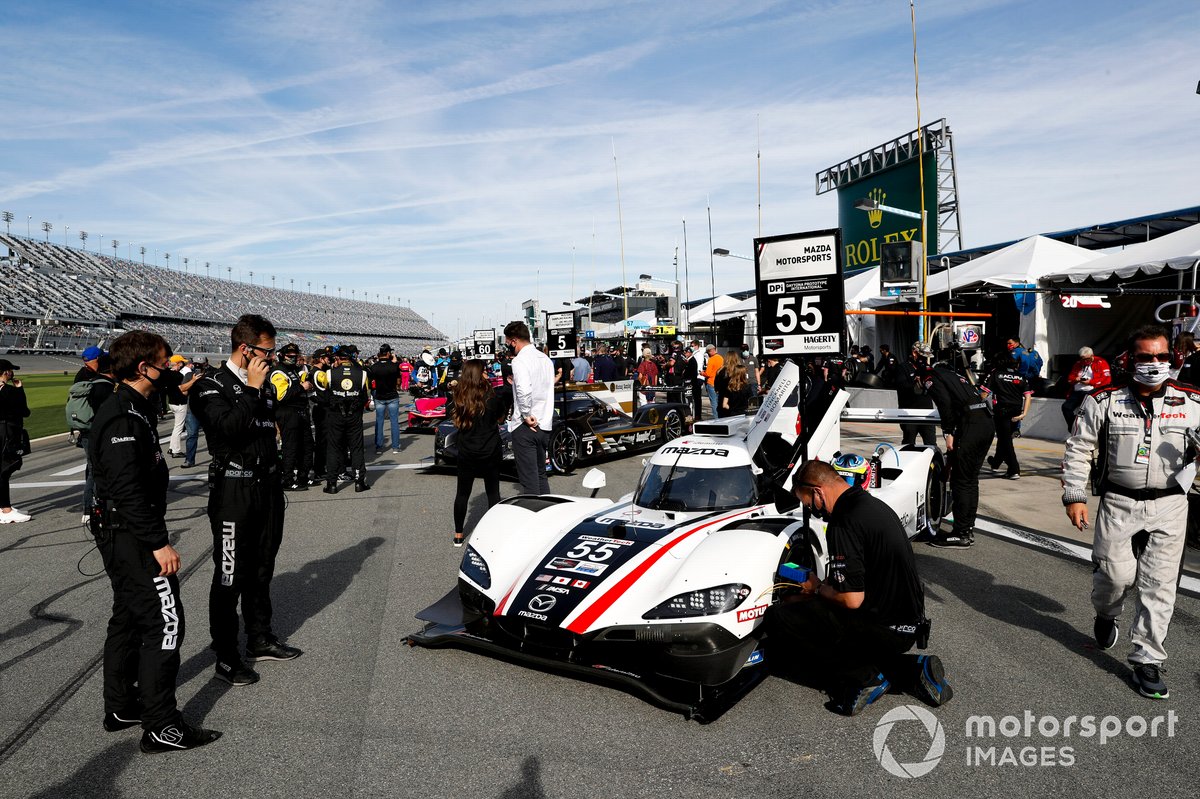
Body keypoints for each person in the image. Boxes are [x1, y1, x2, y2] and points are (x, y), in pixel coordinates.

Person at [89, 330, 221, 752]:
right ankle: (162, 724)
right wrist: (158, 543)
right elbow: (127, 490)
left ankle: (122, 705)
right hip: (130, 534)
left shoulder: (137, 407)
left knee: (128, 616)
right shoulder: (122, 416)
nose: (170, 370)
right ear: (143, 368)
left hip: (122, 531)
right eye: (164, 364)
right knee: (165, 623)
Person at [1063, 324, 1200, 700]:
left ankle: (1148, 659)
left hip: (1172, 504)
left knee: (1159, 586)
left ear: (1172, 359)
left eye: (1161, 357)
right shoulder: (1104, 400)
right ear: (1130, 360)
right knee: (1114, 577)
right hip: (1118, 502)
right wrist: (1075, 495)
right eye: (1145, 357)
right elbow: (1078, 449)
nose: (1154, 364)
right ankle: (1106, 614)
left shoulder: (1193, 400)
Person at [767, 460, 952, 716]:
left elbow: (852, 600)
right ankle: (913, 670)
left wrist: (816, 588)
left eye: (808, 503)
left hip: (885, 627)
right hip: (910, 623)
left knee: (781, 618)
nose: (811, 509)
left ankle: (866, 679)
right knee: (821, 609)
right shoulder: (871, 505)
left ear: (818, 492)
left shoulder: (843, 522)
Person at [190, 314, 302, 687]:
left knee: (262, 567)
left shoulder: (267, 384)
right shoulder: (209, 385)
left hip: (268, 488)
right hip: (233, 492)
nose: (272, 358)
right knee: (229, 575)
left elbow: (268, 430)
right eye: (267, 351)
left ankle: (259, 637)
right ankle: (226, 655)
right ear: (246, 348)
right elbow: (229, 430)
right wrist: (252, 390)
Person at [924, 348, 995, 548]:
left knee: (960, 481)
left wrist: (948, 433)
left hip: (972, 426)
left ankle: (961, 534)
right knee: (970, 480)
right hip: (986, 423)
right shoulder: (957, 377)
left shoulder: (931, 376)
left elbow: (944, 404)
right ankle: (967, 529)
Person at [450, 360, 506, 547]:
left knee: (463, 493)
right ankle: (495, 531)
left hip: (467, 450)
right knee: (493, 492)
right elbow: (501, 418)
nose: (487, 374)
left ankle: (458, 533)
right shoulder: (492, 396)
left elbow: (452, 419)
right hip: (490, 449)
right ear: (478, 374)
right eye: (484, 372)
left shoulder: (459, 396)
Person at [504, 321, 554, 495]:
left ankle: (533, 515)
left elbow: (524, 390)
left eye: (507, 343)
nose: (508, 347)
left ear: (514, 341)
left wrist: (526, 414)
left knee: (529, 479)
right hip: (544, 423)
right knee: (541, 474)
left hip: (526, 424)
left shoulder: (519, 360)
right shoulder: (546, 359)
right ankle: (548, 514)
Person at [316, 345, 371, 493]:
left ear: (338, 359)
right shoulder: (363, 373)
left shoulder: (329, 373)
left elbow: (325, 391)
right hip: (354, 416)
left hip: (336, 415)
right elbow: (365, 397)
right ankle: (359, 483)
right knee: (357, 449)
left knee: (333, 448)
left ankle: (332, 484)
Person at [269, 343, 316, 490]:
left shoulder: (293, 370)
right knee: (291, 447)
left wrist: (305, 388)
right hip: (287, 413)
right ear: (282, 356)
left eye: (295, 355)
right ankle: (287, 479)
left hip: (300, 412)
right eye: (290, 356)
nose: (293, 358)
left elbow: (296, 390)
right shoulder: (278, 372)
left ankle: (303, 476)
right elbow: (281, 396)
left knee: (307, 446)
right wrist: (301, 387)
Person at [984, 354, 1033, 479]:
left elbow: (984, 394)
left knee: (1006, 440)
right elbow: (1028, 396)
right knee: (1004, 437)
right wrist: (1024, 413)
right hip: (1016, 411)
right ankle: (995, 462)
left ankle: (1014, 469)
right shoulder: (1020, 376)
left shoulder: (995, 373)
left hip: (1002, 410)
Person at [0, 358, 31, 524]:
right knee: (5, 469)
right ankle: (6, 509)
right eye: (11, 371)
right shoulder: (9, 391)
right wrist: (20, 389)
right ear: (6, 372)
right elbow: (25, 411)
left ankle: (3, 507)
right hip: (7, 431)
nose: (13, 373)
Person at [895, 343, 936, 446]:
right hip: (909, 413)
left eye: (927, 357)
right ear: (914, 353)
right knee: (908, 444)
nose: (925, 360)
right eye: (923, 357)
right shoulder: (902, 368)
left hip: (927, 414)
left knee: (931, 444)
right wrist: (915, 381)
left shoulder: (928, 368)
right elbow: (902, 387)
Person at [1062, 346, 1112, 426]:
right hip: (1077, 391)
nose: (1085, 361)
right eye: (1082, 359)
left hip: (1092, 391)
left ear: (1092, 356)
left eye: (1087, 359)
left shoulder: (1101, 362)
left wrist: (1090, 382)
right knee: (1065, 407)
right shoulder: (1078, 364)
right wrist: (1076, 379)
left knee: (1086, 411)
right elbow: (1070, 378)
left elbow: (1106, 379)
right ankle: (1073, 427)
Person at [369, 344, 402, 454]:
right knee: (394, 422)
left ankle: (379, 447)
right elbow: (398, 382)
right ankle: (395, 447)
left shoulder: (373, 367)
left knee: (379, 421)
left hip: (379, 396)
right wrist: (395, 362)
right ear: (388, 353)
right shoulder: (394, 366)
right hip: (392, 395)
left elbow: (372, 384)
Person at [308, 347, 332, 481]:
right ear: (321, 359)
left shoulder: (313, 372)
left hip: (318, 408)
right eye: (327, 357)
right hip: (323, 409)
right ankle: (320, 469)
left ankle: (319, 468)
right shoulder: (319, 373)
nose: (329, 359)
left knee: (322, 440)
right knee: (323, 441)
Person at [714, 350, 751, 416]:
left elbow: (716, 388)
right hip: (738, 403)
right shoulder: (739, 370)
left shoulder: (720, 371)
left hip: (723, 400)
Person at [703, 345, 724, 419]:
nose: (708, 354)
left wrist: (702, 373)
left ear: (710, 351)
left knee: (714, 403)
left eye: (708, 352)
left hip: (712, 383)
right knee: (720, 402)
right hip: (720, 383)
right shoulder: (721, 358)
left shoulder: (711, 359)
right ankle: (721, 418)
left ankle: (716, 419)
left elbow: (708, 373)